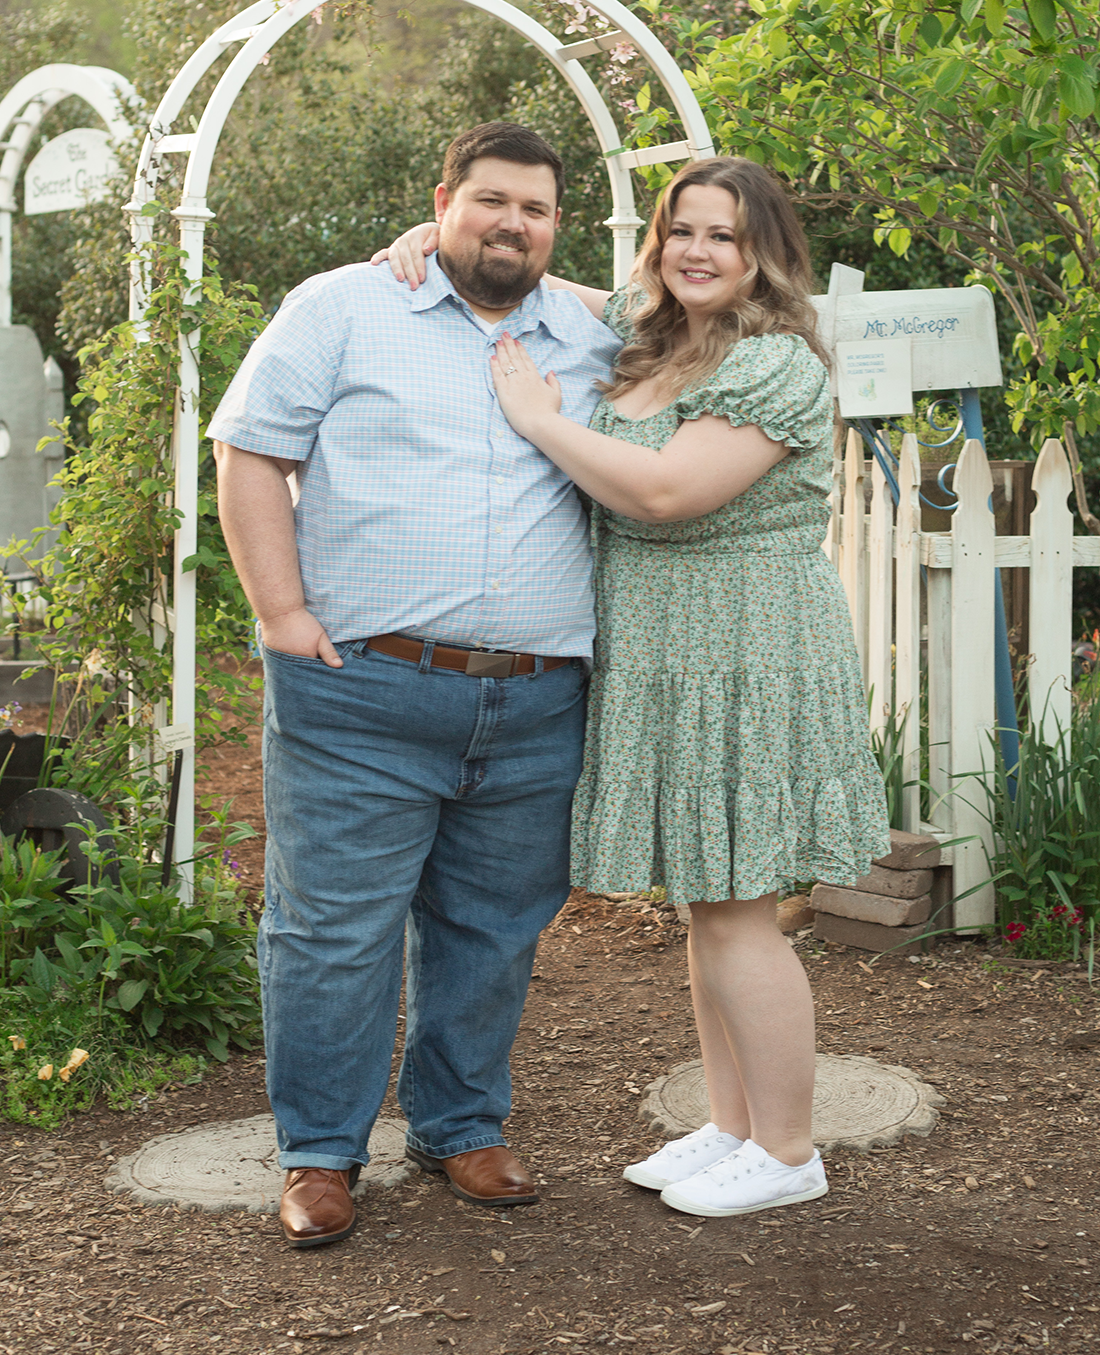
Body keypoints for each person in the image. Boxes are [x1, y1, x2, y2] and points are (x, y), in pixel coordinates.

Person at [378, 155, 891, 1219]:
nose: (697, 252)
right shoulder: (659, 335)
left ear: (767, 256)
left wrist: (536, 418)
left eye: (725, 237)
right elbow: (545, 284)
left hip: (746, 653)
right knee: (709, 906)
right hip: (666, 655)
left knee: (744, 912)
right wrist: (431, 239)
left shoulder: (774, 364)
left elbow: (663, 492)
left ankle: (790, 1149)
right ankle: (734, 1124)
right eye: (682, 231)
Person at [209, 121, 621, 1248]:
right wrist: (283, 616)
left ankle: (460, 1125)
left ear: (556, 227)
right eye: (488, 201)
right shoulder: (343, 307)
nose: (511, 224)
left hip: (536, 700)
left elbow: (709, 304)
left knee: (493, 926)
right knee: (333, 931)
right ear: (439, 199)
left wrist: (512, 260)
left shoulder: (590, 336)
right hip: (363, 695)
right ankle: (322, 1153)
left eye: (534, 209)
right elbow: (250, 451)